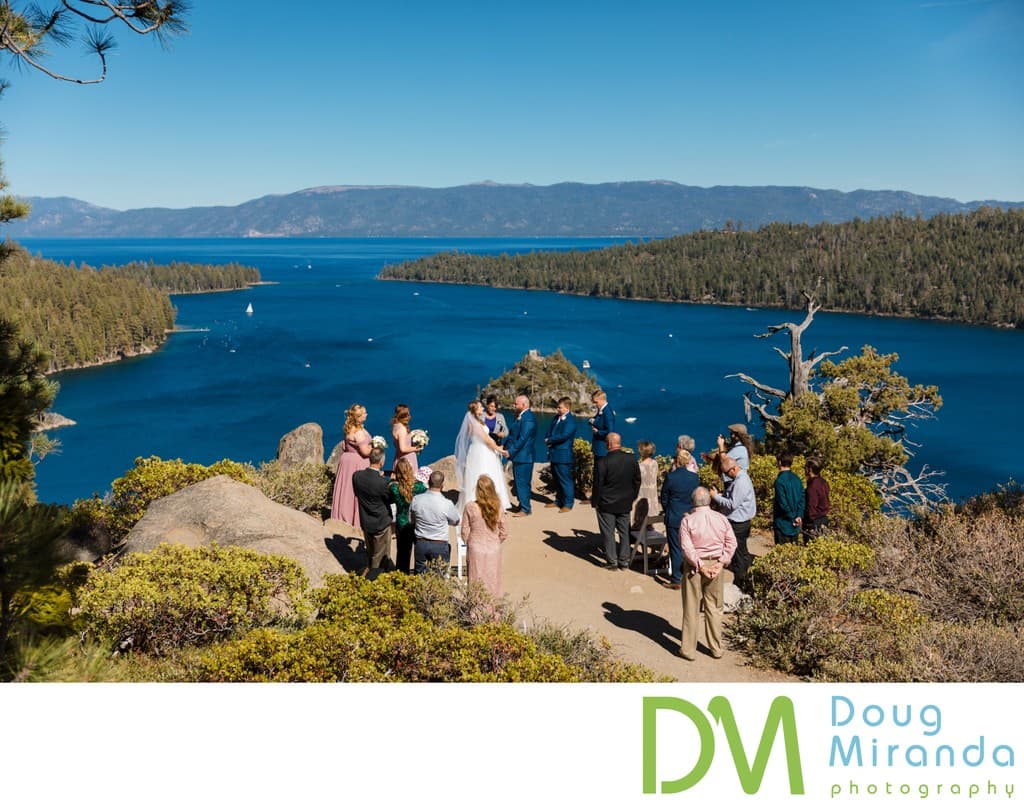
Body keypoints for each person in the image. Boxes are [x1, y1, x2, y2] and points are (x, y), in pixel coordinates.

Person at [678, 487, 737, 661]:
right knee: (714, 607)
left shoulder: (687, 521)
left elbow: (686, 547)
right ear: (709, 501)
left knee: (691, 607)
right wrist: (721, 563)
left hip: (694, 566)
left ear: (692, 502)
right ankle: (716, 648)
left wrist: (700, 565)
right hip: (716, 565)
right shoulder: (722, 519)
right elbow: (731, 542)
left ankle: (688, 650)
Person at [593, 432, 641, 570]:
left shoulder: (602, 462)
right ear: (619, 443)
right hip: (625, 502)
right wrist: (633, 496)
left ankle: (612, 561)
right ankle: (624, 561)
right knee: (624, 531)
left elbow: (598, 485)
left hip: (606, 503)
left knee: (608, 532)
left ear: (608, 444)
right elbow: (637, 480)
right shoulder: (631, 459)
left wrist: (595, 502)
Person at [454, 400, 512, 512]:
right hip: (481, 452)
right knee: (484, 473)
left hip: (480, 450)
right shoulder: (475, 424)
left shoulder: (477, 421)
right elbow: (486, 440)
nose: (483, 409)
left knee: (487, 474)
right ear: (475, 410)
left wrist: (495, 447)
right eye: (480, 407)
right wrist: (499, 450)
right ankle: (482, 503)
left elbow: (487, 438)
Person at [710, 454, 756, 589]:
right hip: (740, 521)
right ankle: (745, 579)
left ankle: (740, 582)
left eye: (726, 473)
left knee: (738, 555)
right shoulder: (741, 478)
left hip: (738, 523)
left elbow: (732, 504)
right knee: (742, 552)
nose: (726, 476)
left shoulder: (741, 482)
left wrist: (715, 497)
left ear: (733, 469)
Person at [658, 449, 700, 590]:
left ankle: (677, 579)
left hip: (674, 517)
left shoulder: (671, 477)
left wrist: (668, 509)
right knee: (689, 548)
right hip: (690, 517)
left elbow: (664, 497)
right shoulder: (694, 478)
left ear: (677, 461)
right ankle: (691, 576)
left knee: (676, 548)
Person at [462, 474, 509, 597]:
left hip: (475, 547)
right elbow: (504, 532)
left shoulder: (470, 507)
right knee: (493, 580)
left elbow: (464, 530)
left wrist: (470, 542)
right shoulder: (498, 507)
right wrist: (495, 541)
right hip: (493, 547)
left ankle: (475, 613)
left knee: (475, 580)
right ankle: (493, 612)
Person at [350, 446, 395, 574]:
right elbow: (391, 500)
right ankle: (373, 580)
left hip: (365, 521)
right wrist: (391, 482)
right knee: (380, 557)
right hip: (381, 522)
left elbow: (358, 493)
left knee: (370, 552)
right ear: (381, 462)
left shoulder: (357, 476)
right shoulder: (383, 484)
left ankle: (370, 571)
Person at [409, 470, 461, 574]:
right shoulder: (446, 503)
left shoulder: (416, 499)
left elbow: (410, 520)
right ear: (442, 485)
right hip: (439, 545)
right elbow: (456, 520)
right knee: (439, 578)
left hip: (421, 543)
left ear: (428, 482)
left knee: (420, 577)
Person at [330, 403, 372, 527]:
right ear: (358, 417)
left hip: (347, 462)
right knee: (355, 491)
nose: (367, 414)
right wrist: (377, 448)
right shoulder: (358, 432)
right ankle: (355, 520)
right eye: (364, 413)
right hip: (357, 463)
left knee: (346, 489)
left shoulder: (349, 428)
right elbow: (365, 452)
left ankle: (342, 516)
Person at [390, 457, 427, 574]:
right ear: (410, 470)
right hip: (417, 523)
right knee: (419, 553)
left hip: (402, 523)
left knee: (402, 554)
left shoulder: (394, 488)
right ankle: (418, 576)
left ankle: (402, 578)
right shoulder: (420, 488)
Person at [503, 394, 536, 517]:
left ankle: (525, 509)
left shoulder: (528, 419)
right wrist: (504, 446)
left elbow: (522, 439)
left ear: (524, 405)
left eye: (516, 404)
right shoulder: (519, 416)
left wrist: (510, 452)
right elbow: (512, 435)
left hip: (524, 456)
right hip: (520, 456)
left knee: (523, 482)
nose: (514, 405)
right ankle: (523, 505)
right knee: (519, 482)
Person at [544, 395, 576, 512]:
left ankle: (568, 504)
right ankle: (558, 500)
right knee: (557, 478)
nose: (557, 409)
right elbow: (549, 431)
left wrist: (550, 440)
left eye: (560, 407)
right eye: (557, 407)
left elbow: (564, 436)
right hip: (554, 453)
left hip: (563, 455)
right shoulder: (556, 418)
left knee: (565, 479)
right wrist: (547, 438)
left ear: (567, 408)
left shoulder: (570, 421)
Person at [773, 451, 805, 545]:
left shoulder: (779, 481)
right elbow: (802, 499)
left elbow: (782, 504)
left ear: (779, 462)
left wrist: (792, 517)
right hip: (795, 525)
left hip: (783, 523)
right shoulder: (797, 479)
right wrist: (799, 515)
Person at [589, 389, 616, 489]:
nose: (595, 404)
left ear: (602, 400)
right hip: (599, 448)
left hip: (603, 449)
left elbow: (610, 432)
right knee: (597, 474)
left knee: (601, 475)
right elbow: (599, 421)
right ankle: (596, 497)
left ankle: (600, 498)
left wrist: (597, 432)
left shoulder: (607, 412)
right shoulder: (602, 410)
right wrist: (593, 422)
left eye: (596, 402)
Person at [632, 440, 661, 529]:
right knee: (650, 520)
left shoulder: (640, 466)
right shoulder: (655, 463)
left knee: (640, 519)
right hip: (652, 494)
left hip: (642, 494)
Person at [803, 456, 831, 538]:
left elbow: (811, 506)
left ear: (810, 469)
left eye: (805, 467)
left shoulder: (813, 486)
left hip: (814, 522)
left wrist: (807, 522)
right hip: (823, 519)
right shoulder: (823, 482)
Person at [391, 403, 421, 475]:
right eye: (408, 414)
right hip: (406, 460)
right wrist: (416, 448)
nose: (410, 416)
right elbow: (403, 448)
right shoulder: (402, 429)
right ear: (404, 416)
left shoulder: (395, 426)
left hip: (399, 457)